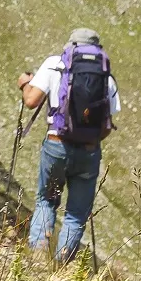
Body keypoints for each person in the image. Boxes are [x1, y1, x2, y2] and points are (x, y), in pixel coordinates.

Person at [19, 28, 120, 262]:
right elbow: (107, 125)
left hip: (56, 146)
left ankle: (37, 259)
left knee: (47, 200)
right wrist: (89, 142)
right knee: (76, 214)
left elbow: (31, 101)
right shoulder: (105, 75)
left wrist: (25, 83)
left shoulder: (55, 64)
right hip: (88, 153)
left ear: (71, 45)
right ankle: (60, 270)